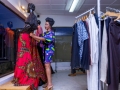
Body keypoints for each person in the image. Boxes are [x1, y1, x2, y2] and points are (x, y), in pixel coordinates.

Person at [30, 17, 55, 90]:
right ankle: (48, 82)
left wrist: (34, 36)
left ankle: (50, 85)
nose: (45, 25)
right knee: (46, 66)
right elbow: (40, 40)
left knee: (47, 66)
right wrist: (34, 37)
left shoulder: (51, 33)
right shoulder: (45, 33)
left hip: (49, 51)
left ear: (50, 25)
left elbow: (44, 39)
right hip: (45, 51)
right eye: (45, 24)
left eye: (46, 24)